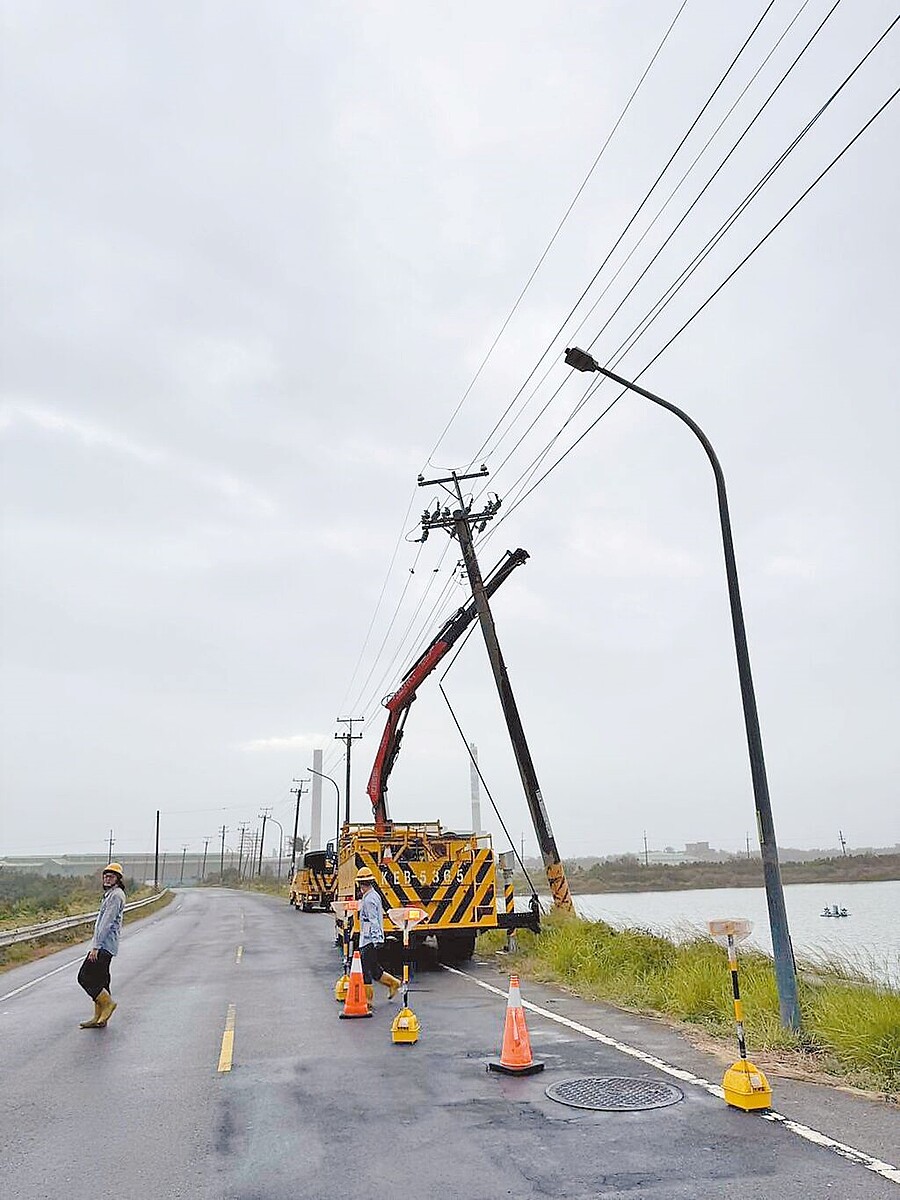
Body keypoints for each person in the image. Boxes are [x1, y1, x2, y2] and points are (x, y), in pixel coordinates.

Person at [76, 863, 126, 1029]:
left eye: (111, 876)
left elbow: (106, 923)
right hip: (104, 944)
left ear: (118, 879)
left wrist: (96, 946)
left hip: (104, 946)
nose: (107, 878)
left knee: (84, 977)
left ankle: (108, 1004)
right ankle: (99, 1017)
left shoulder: (116, 896)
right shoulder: (110, 895)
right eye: (106, 876)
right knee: (101, 980)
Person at [356, 867, 401, 1006]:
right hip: (369, 939)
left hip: (369, 940)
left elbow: (373, 920)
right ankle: (393, 983)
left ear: (360, 884)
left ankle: (368, 1001)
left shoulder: (369, 899)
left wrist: (376, 939)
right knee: (374, 969)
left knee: (366, 970)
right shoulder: (372, 896)